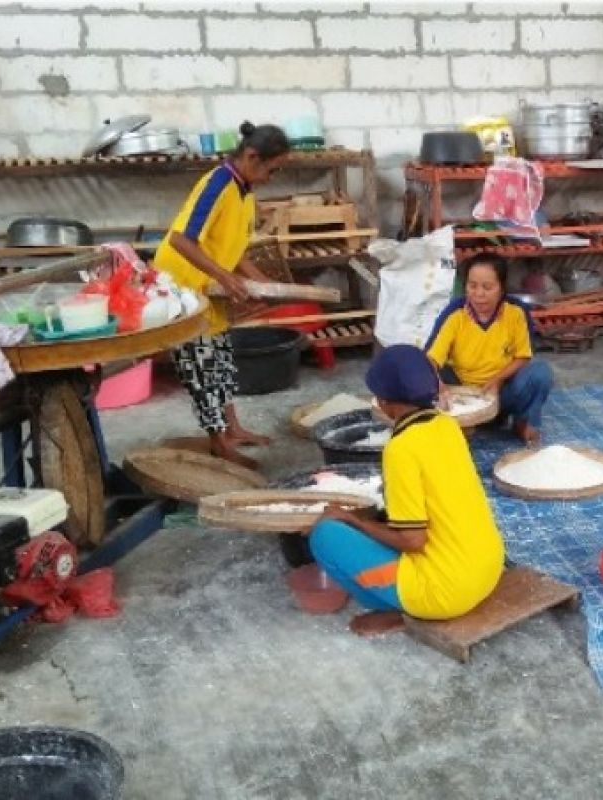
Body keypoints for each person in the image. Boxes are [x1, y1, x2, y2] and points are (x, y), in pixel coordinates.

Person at [306, 345, 505, 637]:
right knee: (381, 526)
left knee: (325, 535)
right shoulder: (448, 425)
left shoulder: (400, 449)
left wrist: (353, 521)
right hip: (488, 569)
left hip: (446, 593)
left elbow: (413, 539)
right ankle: (404, 601)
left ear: (383, 402)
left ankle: (400, 611)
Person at [153, 121, 290, 468]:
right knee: (200, 367)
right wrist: (225, 278)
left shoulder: (245, 192)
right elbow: (181, 240)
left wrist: (263, 285)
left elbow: (234, 248)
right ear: (252, 156)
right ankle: (219, 443)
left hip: (207, 286)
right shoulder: (218, 184)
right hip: (182, 288)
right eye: (272, 169)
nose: (272, 177)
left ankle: (233, 428)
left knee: (222, 361)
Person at [425, 254, 553, 444]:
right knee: (416, 374)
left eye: (487, 287)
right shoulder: (455, 313)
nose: (478, 294)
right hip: (461, 393)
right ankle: (462, 422)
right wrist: (438, 384)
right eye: (472, 286)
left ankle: (524, 421)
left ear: (501, 288)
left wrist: (498, 380)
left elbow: (523, 356)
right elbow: (431, 359)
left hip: (501, 393)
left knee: (540, 373)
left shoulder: (516, 312)